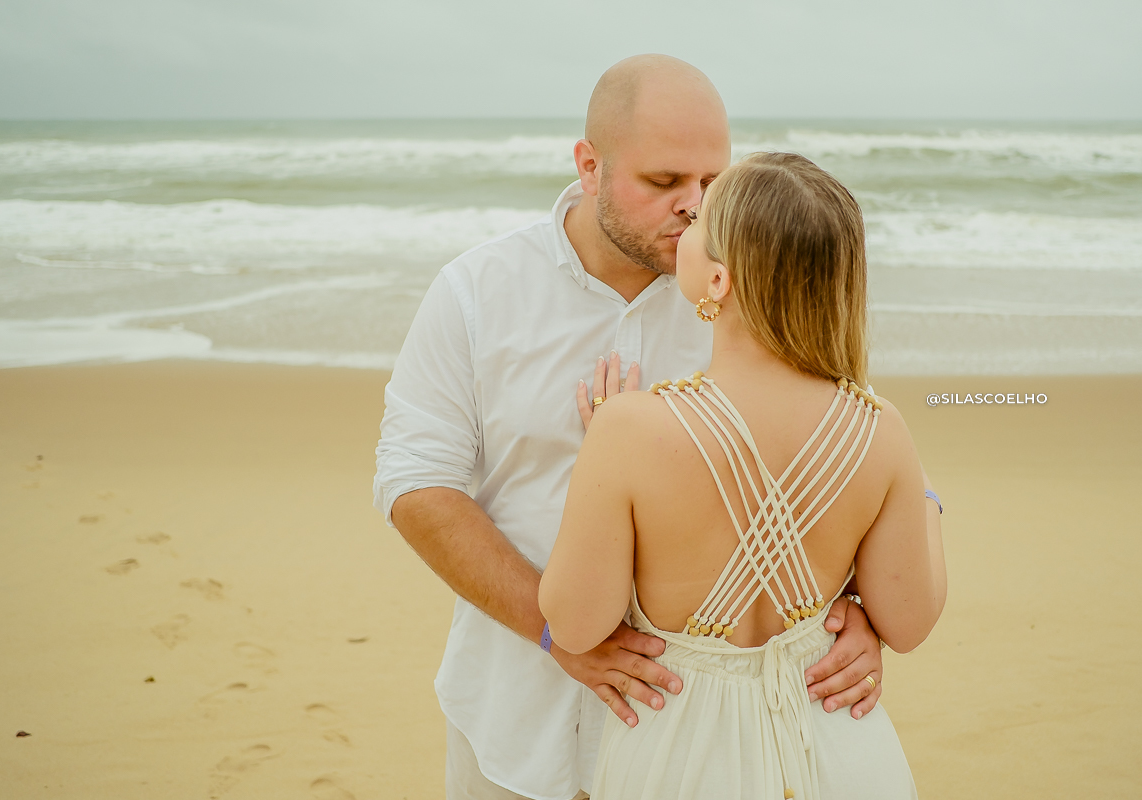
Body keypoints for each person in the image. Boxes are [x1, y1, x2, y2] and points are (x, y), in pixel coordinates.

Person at [374, 55, 895, 800]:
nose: (695, 206)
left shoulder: (755, 292)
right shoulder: (477, 292)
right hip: (514, 715)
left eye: (715, 182)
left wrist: (864, 613)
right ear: (589, 167)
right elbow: (414, 480)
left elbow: (866, 455)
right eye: (664, 182)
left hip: (706, 743)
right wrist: (557, 633)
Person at [539, 152, 948, 799]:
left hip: (679, 758)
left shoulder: (629, 428)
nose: (685, 223)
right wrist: (924, 493)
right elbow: (909, 621)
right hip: (839, 744)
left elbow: (575, 624)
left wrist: (600, 462)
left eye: (700, 219)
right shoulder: (879, 427)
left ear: (719, 281)